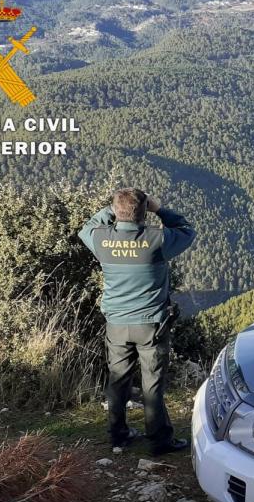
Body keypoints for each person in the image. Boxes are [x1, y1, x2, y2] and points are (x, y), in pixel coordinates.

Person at [79, 188, 196, 455]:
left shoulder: (101, 239)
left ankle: (118, 436)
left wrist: (113, 209)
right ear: (143, 213)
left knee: (118, 380)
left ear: (115, 212)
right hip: (150, 324)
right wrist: (159, 209)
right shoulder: (157, 239)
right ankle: (159, 441)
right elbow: (187, 230)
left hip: (117, 323)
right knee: (151, 383)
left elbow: (87, 227)